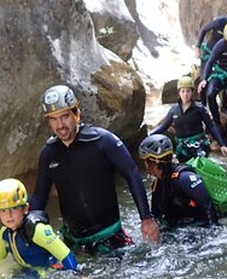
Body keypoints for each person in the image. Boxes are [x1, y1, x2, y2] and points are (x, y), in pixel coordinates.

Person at [30, 84, 160, 253]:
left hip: (110, 237)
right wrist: (30, 224)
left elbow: (132, 173)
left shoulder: (102, 141)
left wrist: (146, 218)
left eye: (64, 116)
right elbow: (40, 196)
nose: (60, 125)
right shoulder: (48, 153)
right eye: (53, 119)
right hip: (73, 242)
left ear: (76, 114)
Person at [0, 178, 78, 279]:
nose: (8, 215)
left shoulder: (37, 230)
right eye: (3, 211)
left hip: (46, 272)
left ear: (25, 208)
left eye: (14, 209)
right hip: (25, 271)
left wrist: (77, 275)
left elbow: (65, 254)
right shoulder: (5, 233)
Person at [138, 134, 219, 228]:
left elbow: (209, 210)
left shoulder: (185, 179)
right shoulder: (158, 185)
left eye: (145, 161)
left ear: (152, 163)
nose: (145, 165)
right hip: (180, 227)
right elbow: (156, 216)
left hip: (198, 227)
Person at [150, 75, 227, 162]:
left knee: (198, 163)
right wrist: (149, 134)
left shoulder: (200, 108)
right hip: (182, 147)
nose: (185, 94)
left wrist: (222, 144)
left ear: (192, 92)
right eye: (183, 91)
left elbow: (211, 126)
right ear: (179, 93)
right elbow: (163, 127)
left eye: (188, 91)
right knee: (184, 167)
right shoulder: (174, 110)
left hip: (199, 146)